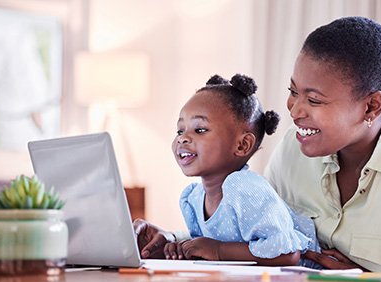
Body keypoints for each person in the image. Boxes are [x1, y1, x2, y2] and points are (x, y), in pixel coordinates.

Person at [136, 17, 381, 280]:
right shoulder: (295, 149)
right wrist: (172, 240)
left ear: (371, 106)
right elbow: (256, 232)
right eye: (293, 91)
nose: (294, 110)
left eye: (314, 99)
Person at [136, 74, 320, 267]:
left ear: (242, 145)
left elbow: (288, 255)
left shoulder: (245, 188)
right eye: (180, 130)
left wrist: (218, 250)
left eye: (200, 130)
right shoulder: (194, 198)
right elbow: (206, 251)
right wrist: (177, 248)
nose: (183, 138)